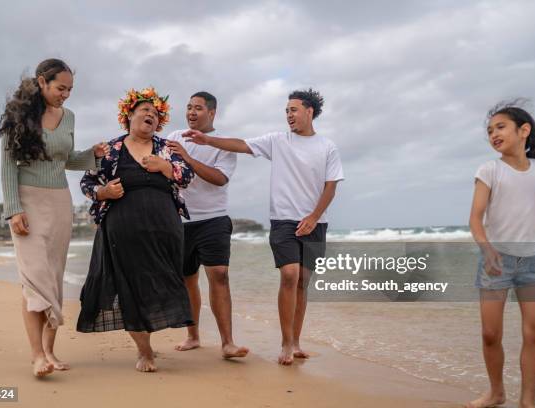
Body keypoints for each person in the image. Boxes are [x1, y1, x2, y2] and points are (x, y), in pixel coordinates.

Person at [183, 88, 344, 365]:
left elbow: (331, 186)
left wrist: (314, 217)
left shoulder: (327, 147)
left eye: (293, 110)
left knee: (303, 282)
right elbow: (242, 145)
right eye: (286, 111)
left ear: (309, 111)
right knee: (290, 276)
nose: (289, 115)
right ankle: (284, 343)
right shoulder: (278, 141)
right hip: (283, 220)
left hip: (316, 222)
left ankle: (295, 342)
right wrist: (207, 140)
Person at [0, 58, 108, 377]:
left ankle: (50, 351)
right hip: (27, 202)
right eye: (60, 88)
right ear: (42, 83)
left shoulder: (69, 117)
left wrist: (94, 155)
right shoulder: (21, 115)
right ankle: (37, 355)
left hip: (60, 202)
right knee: (35, 280)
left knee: (53, 277)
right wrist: (13, 209)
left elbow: (66, 161)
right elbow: (8, 165)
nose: (65, 94)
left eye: (70, 89)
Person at [77, 87, 195, 373]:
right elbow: (86, 184)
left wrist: (164, 167)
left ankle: (151, 340)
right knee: (129, 287)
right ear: (128, 115)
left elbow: (187, 176)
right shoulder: (110, 150)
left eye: (155, 114)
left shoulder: (167, 148)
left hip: (164, 229)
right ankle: (144, 351)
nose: (150, 115)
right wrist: (104, 191)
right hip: (122, 231)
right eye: (144, 110)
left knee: (158, 286)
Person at [468, 101, 535, 408]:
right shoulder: (489, 170)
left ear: (523, 130)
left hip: (531, 261)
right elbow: (475, 218)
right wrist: (487, 250)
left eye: (500, 127)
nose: (493, 134)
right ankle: (496, 392)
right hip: (496, 260)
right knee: (491, 334)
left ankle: (527, 400)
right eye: (490, 131)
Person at [166, 91, 249, 359]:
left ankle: (228, 343)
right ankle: (193, 336)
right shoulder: (174, 138)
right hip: (179, 221)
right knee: (187, 280)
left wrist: (187, 158)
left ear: (211, 113)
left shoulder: (223, 145)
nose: (191, 112)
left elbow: (219, 178)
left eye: (198, 108)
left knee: (219, 276)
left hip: (213, 219)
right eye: (189, 107)